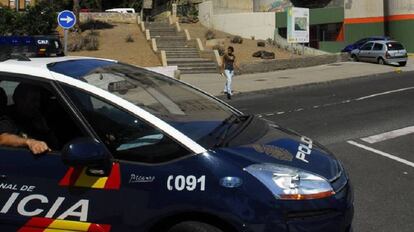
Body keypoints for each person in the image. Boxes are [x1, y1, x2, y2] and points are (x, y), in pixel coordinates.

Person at [0, 86, 50, 155]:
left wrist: (45, 130)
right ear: (20, 100)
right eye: (33, 100)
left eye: (38, 101)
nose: (37, 105)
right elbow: (3, 139)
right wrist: (29, 142)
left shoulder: (37, 117)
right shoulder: (8, 118)